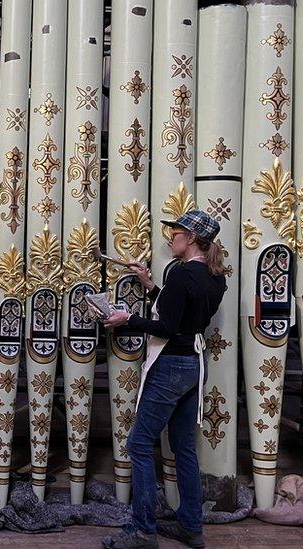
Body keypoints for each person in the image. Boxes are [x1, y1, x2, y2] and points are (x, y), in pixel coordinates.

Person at [101, 210, 227, 549]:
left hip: (170, 366)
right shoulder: (215, 277)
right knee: (184, 446)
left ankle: (143, 531)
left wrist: (127, 318)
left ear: (191, 239)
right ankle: (191, 527)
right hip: (194, 366)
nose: (171, 237)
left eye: (176, 232)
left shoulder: (182, 276)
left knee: (139, 445)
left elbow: (167, 327)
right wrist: (150, 286)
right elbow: (182, 315)